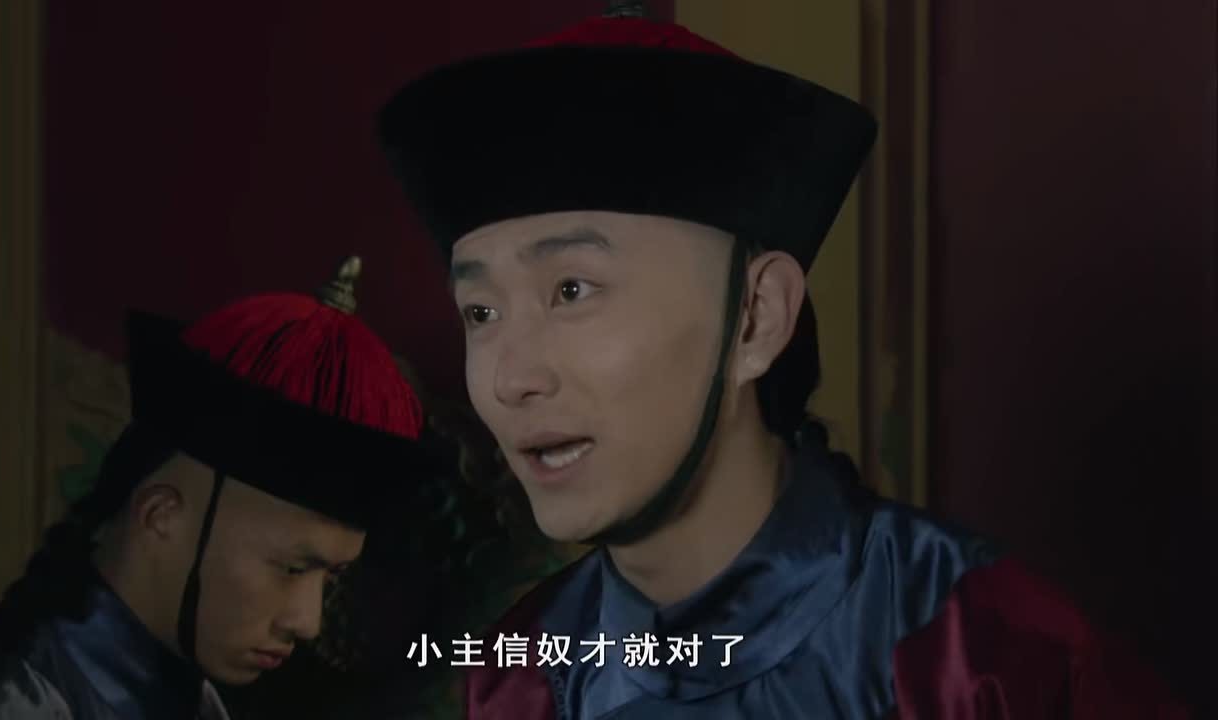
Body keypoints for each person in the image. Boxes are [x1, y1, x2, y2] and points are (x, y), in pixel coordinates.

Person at [375, 4, 1192, 718]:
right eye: (481, 312)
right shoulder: (519, 674)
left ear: (756, 317)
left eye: (572, 290)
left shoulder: (984, 651)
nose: (512, 377)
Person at [0, 257, 434, 719]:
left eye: (330, 579)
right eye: (292, 568)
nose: (307, 622)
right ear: (161, 516)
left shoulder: (196, 699)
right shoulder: (9, 701)